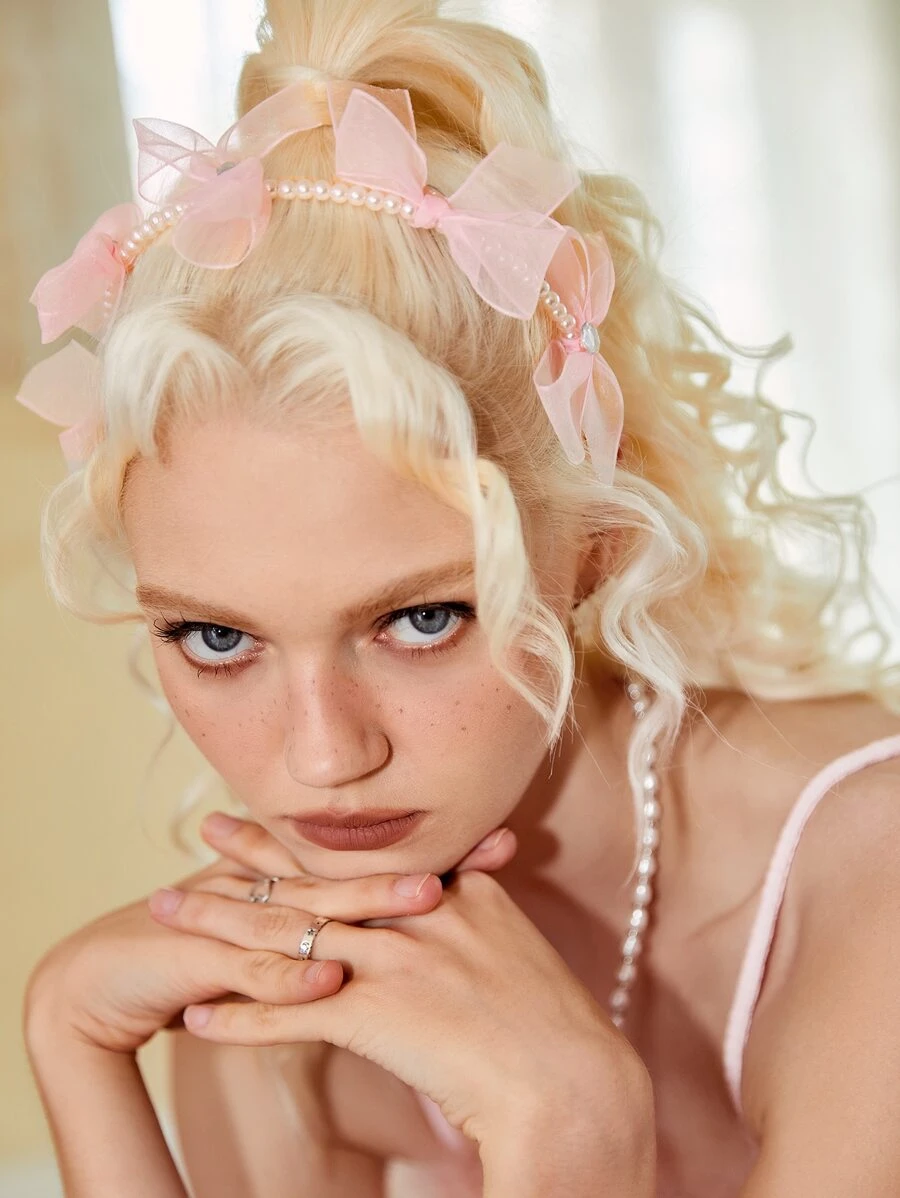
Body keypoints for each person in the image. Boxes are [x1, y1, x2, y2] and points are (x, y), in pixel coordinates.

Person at [18, 1, 900, 1194]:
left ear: (594, 543)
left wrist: (574, 1134)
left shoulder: (870, 880)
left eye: (421, 619)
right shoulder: (278, 956)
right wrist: (71, 1042)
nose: (323, 758)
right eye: (217, 637)